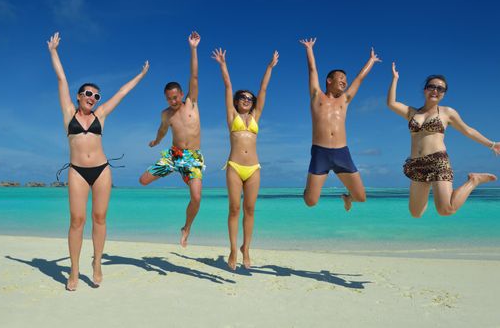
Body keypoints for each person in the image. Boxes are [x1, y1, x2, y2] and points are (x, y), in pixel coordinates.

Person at [47, 32, 149, 291]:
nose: (93, 98)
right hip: (77, 172)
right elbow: (61, 79)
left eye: (96, 96)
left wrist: (140, 75)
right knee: (77, 221)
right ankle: (73, 270)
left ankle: (97, 264)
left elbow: (123, 92)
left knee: (100, 217)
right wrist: (54, 51)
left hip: (102, 170)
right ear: (79, 96)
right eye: (88, 94)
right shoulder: (68, 112)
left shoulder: (100, 115)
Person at [387, 62, 498, 217]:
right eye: (432, 86)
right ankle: (432, 190)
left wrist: (491, 144)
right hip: (416, 164)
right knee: (415, 213)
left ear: (444, 94)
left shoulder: (447, 112)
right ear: (425, 89)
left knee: (446, 210)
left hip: (438, 161)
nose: (435, 90)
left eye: (440, 89)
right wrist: (395, 78)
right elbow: (391, 103)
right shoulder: (412, 113)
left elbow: (468, 130)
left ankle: (474, 180)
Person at [212, 48, 279, 270]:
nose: (247, 100)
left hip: (254, 168)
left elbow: (264, 88)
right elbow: (228, 86)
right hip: (234, 166)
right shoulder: (232, 116)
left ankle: (246, 248)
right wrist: (223, 64)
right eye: (243, 97)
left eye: (250, 99)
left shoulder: (255, 117)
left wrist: (269, 67)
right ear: (236, 101)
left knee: (250, 209)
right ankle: (232, 249)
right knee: (234, 208)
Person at [299, 38, 381, 211]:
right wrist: (309, 49)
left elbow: (359, 80)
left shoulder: (344, 100)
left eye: (345, 79)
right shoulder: (316, 96)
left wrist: (371, 61)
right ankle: (308, 188)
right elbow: (312, 70)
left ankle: (346, 197)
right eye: (341, 78)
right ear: (329, 80)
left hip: (342, 153)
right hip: (320, 152)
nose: (344, 81)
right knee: (311, 202)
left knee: (361, 197)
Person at [139, 32, 203, 248]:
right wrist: (156, 141)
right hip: (174, 155)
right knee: (143, 180)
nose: (173, 100)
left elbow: (194, 76)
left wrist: (193, 48)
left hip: (192, 158)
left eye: (175, 96)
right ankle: (173, 171)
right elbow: (163, 130)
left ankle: (186, 227)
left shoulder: (191, 103)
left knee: (196, 198)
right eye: (169, 98)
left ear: (182, 93)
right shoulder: (166, 113)